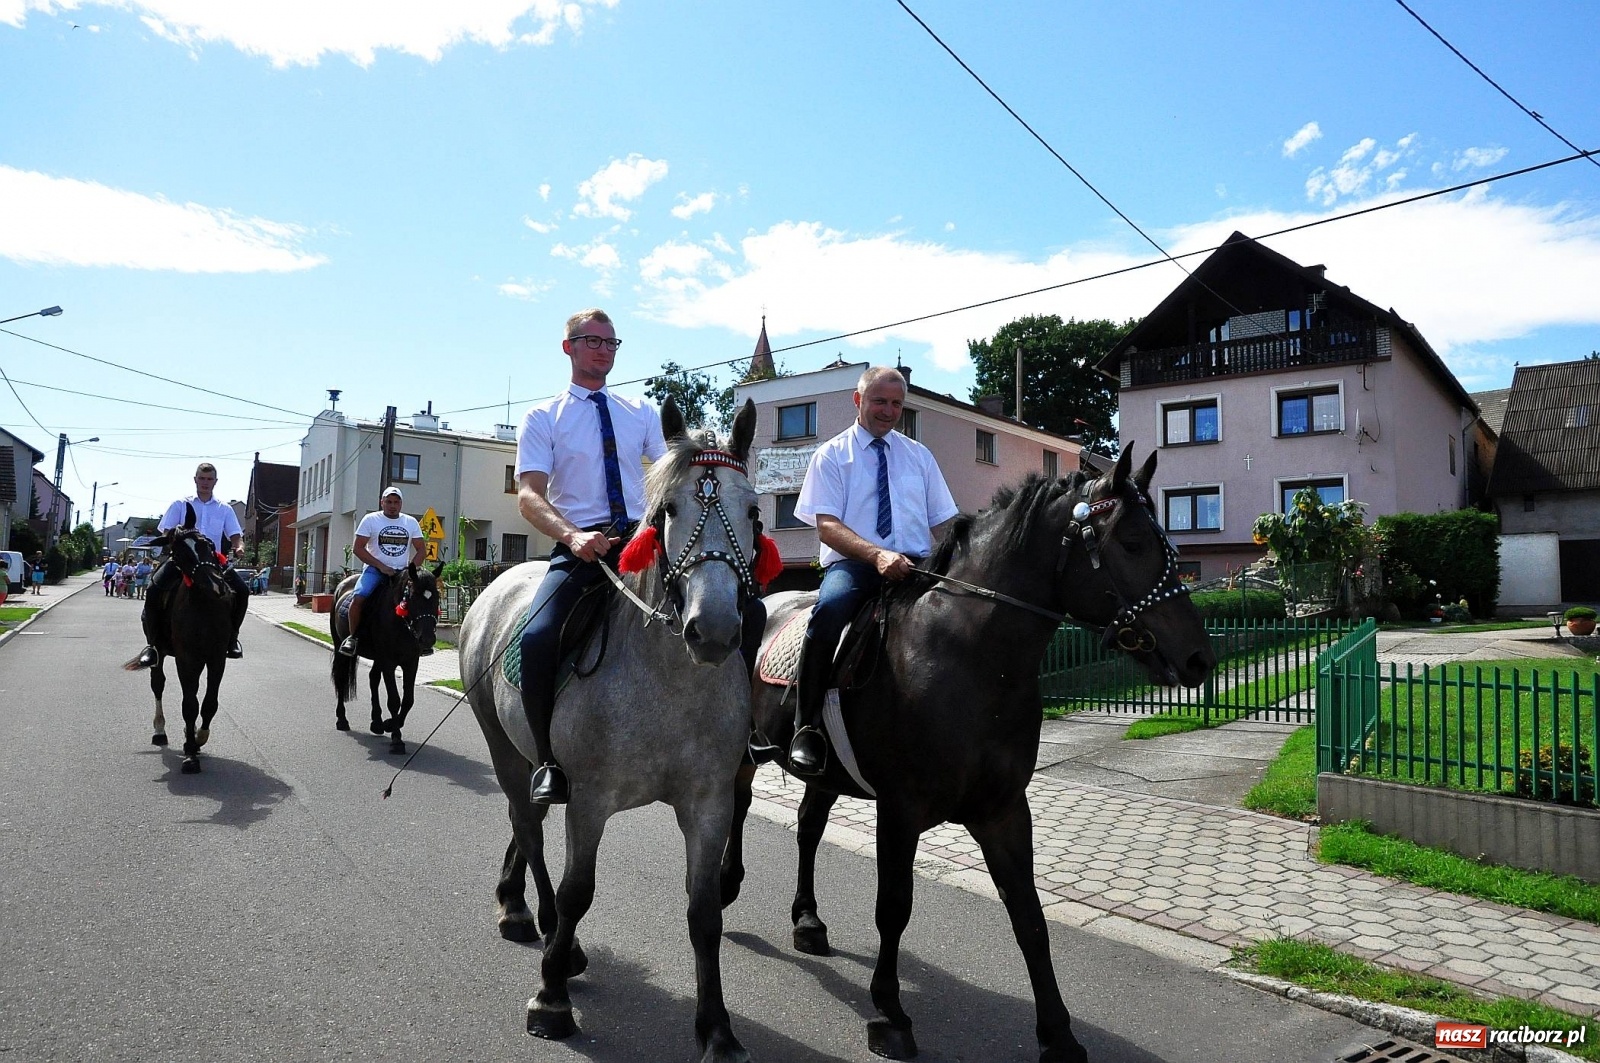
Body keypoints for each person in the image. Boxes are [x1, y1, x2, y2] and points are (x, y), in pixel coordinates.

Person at [512, 308, 670, 805]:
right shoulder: (544, 417)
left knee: (726, 610)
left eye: (610, 342)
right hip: (583, 550)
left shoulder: (640, 411)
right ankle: (547, 761)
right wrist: (573, 536)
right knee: (537, 638)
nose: (603, 350)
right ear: (569, 347)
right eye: (593, 341)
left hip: (642, 545)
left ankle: (739, 738)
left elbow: (669, 472)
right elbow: (529, 496)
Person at [788, 366, 959, 775]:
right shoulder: (832, 455)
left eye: (896, 403)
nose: (888, 410)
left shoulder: (919, 456)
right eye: (879, 401)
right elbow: (827, 527)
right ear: (858, 400)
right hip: (856, 566)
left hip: (917, 565)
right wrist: (877, 555)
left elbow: (945, 523)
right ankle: (806, 726)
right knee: (829, 613)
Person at [133, 462, 251, 667]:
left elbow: (235, 536)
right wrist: (176, 537)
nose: (205, 482)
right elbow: (166, 532)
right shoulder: (180, 504)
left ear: (215, 481)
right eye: (202, 478)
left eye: (209, 479)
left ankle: (232, 639)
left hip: (213, 563)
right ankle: (153, 646)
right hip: (182, 561)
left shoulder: (224, 509)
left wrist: (239, 547)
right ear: (195, 480)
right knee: (153, 589)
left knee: (242, 591)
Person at [337, 486, 427, 657]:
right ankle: (352, 637)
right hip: (374, 570)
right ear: (382, 502)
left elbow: (421, 550)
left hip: (401, 573)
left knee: (421, 600)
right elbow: (358, 548)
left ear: (401, 504)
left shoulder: (410, 522)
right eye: (389, 502)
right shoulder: (371, 520)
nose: (392, 506)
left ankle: (422, 639)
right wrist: (381, 566)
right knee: (359, 597)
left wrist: (410, 571)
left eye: (396, 502)